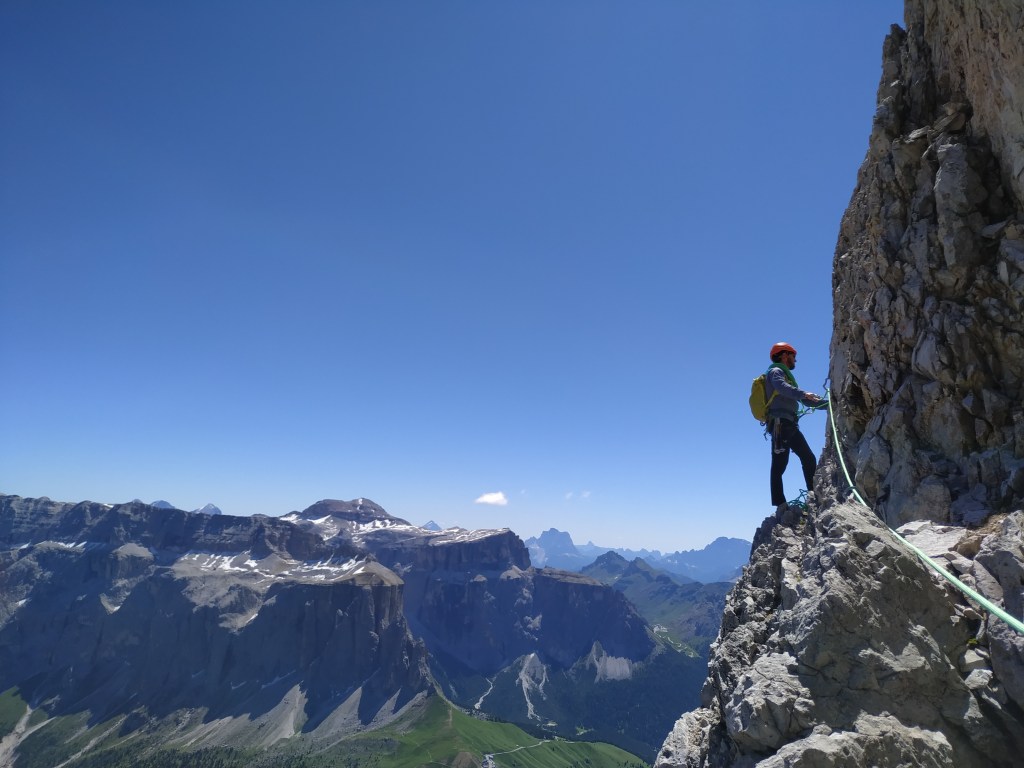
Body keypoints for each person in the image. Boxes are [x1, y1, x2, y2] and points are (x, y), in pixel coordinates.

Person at [764, 342, 824, 519]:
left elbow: (800, 398)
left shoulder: (784, 376)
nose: (795, 360)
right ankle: (808, 496)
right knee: (801, 459)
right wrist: (803, 393)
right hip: (781, 424)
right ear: (784, 355)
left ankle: (785, 503)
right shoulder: (776, 372)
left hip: (783, 425)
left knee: (783, 464)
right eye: (793, 356)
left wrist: (828, 404)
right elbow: (781, 387)